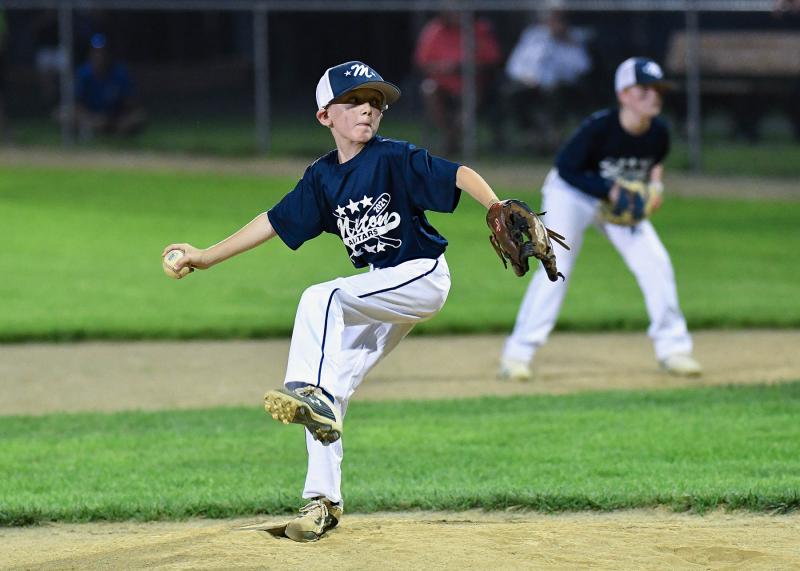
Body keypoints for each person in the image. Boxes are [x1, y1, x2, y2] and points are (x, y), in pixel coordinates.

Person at [162, 61, 504, 542]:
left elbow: (459, 173)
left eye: (376, 102)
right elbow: (273, 221)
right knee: (334, 385)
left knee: (323, 298)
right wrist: (206, 257)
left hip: (421, 274)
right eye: (354, 100)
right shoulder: (322, 178)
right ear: (325, 116)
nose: (369, 108)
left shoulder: (392, 157)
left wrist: (495, 205)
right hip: (382, 290)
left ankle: (308, 391)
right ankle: (323, 501)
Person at [498, 57, 702, 381]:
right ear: (623, 94)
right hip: (571, 195)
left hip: (615, 202)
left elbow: (654, 163)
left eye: (658, 89)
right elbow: (566, 168)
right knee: (555, 266)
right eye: (644, 89)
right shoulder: (599, 127)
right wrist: (609, 188)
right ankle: (517, 355)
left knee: (655, 262)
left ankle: (674, 349)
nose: (654, 96)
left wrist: (656, 188)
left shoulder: (659, 132)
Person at [501, 9, 592, 154]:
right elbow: (514, 66)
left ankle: (556, 138)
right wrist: (527, 78)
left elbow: (582, 67)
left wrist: (566, 44)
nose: (554, 24)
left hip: (563, 87)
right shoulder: (533, 36)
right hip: (531, 85)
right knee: (515, 95)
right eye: (551, 19)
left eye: (558, 20)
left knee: (559, 96)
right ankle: (533, 138)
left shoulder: (572, 39)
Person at [414, 9, 501, 156]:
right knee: (428, 88)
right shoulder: (435, 30)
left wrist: (465, 67)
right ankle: (451, 136)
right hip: (443, 84)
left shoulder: (479, 29)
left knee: (472, 92)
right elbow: (422, 62)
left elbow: (493, 61)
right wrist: (444, 67)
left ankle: (451, 140)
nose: (456, 13)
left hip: (473, 84)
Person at [70, 33, 146, 139]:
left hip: (113, 117)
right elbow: (76, 103)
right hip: (90, 115)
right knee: (62, 114)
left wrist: (115, 117)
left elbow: (130, 102)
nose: (99, 56)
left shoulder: (120, 73)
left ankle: (113, 133)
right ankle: (92, 130)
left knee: (138, 117)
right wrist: (93, 118)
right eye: (96, 52)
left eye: (102, 52)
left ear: (109, 54)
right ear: (90, 54)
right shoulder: (83, 73)